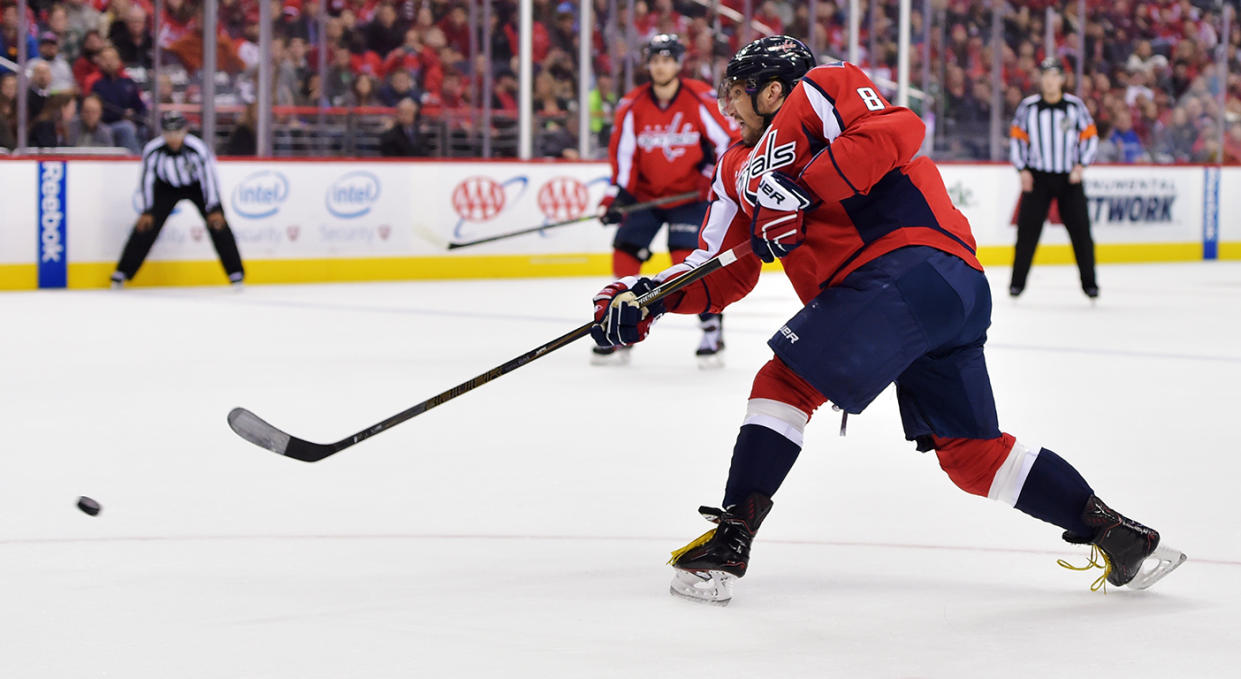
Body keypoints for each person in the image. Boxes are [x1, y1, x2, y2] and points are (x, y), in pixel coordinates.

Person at [588, 36, 1185, 605]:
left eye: (738, 90)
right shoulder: (731, 171)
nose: (728, 105)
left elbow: (897, 130)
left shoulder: (819, 90)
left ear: (772, 91)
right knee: (973, 456)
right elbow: (719, 267)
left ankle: (727, 545)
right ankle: (1116, 533)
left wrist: (802, 185)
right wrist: (649, 297)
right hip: (937, 296)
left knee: (785, 384)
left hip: (908, 268)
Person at [595, 33, 738, 367]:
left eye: (667, 59)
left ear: (677, 63)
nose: (661, 66)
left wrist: (712, 178)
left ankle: (711, 329)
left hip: (690, 197)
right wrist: (616, 198)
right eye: (655, 60)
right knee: (625, 251)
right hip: (647, 197)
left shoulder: (699, 97)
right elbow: (624, 156)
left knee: (686, 257)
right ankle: (619, 327)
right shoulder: (632, 103)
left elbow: (727, 143)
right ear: (649, 64)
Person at [111, 111, 245, 288]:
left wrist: (214, 207)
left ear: (186, 131)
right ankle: (123, 273)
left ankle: (235, 273)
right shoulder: (153, 150)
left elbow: (210, 179)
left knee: (218, 223)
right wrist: (147, 210)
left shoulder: (198, 148)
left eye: (177, 133)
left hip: (196, 187)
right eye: (169, 133)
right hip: (166, 187)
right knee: (145, 226)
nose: (173, 138)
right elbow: (146, 181)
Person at [1009, 58, 1099, 300]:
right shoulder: (1028, 107)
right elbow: (1017, 139)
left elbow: (1090, 136)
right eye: (1045, 75)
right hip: (1037, 177)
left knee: (1081, 232)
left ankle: (1090, 283)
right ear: (1041, 79)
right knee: (1027, 233)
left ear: (1061, 79)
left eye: (1054, 75)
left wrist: (1081, 165)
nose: (1049, 80)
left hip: (1069, 179)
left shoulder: (1075, 106)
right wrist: (1022, 170)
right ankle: (1017, 283)